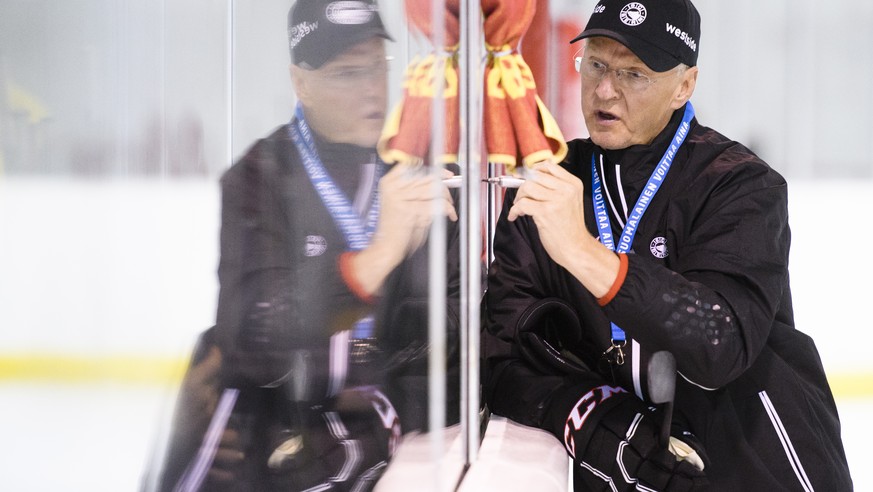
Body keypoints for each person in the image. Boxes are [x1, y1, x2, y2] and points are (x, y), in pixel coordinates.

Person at [481, 0, 853, 490]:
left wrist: (582, 251)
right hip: (626, 470)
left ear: (684, 85)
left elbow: (718, 342)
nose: (605, 90)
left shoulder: (741, 186)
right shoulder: (551, 185)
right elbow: (503, 357)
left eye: (634, 74)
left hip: (755, 459)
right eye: (595, 64)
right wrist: (598, 423)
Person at [153, 1, 461, 490]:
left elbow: (457, 336)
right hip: (271, 420)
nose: (371, 90)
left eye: (378, 67)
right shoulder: (258, 177)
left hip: (381, 420)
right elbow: (251, 337)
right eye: (347, 73)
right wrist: (375, 259)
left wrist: (377, 388)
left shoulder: (427, 172)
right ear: (302, 83)